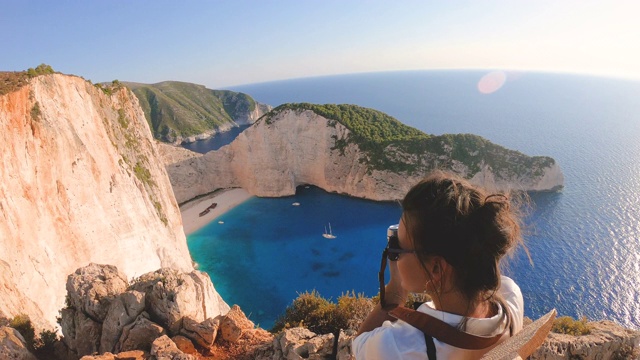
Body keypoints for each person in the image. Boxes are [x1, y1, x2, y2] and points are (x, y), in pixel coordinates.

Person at [352, 171, 526, 359]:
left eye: (398, 249)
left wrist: (396, 288)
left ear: (436, 268)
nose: (395, 256)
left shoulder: (401, 347)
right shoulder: (511, 298)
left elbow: (359, 345)